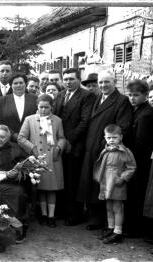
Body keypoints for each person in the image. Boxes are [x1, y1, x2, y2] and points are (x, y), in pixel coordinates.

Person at [78, 70, 132, 231]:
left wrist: (105, 144)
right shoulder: (97, 98)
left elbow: (123, 126)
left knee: (104, 185)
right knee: (92, 182)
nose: (103, 85)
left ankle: (103, 222)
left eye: (106, 82)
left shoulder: (121, 101)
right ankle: (95, 218)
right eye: (100, 82)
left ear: (114, 82)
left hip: (107, 150)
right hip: (91, 147)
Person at [54, 68, 95, 226]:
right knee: (60, 177)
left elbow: (85, 121)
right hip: (59, 145)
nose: (68, 82)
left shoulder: (87, 96)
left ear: (79, 79)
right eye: (65, 79)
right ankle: (61, 211)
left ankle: (74, 215)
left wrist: (68, 140)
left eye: (71, 79)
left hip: (74, 145)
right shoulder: (60, 95)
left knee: (72, 180)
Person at [18, 94, 66, 228]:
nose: (43, 110)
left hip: (53, 158)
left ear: (52, 107)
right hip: (37, 157)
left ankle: (51, 216)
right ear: (37, 107)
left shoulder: (57, 120)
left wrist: (59, 147)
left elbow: (62, 137)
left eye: (46, 107)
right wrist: (32, 147)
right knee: (41, 189)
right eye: (41, 107)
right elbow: (21, 138)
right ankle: (43, 214)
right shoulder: (30, 119)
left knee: (52, 189)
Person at [93, 124, 136, 244]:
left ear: (121, 137)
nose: (111, 140)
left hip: (117, 183)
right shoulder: (106, 150)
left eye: (114, 137)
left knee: (118, 207)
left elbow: (131, 167)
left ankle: (118, 233)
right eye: (109, 138)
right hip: (106, 182)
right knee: (109, 206)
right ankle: (111, 229)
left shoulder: (125, 152)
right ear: (105, 138)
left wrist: (122, 178)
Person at [125, 80, 153, 237]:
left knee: (137, 194)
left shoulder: (146, 114)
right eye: (130, 95)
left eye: (136, 95)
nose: (132, 98)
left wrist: (131, 163)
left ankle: (135, 229)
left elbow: (141, 143)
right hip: (136, 159)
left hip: (140, 161)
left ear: (145, 95)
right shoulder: (137, 110)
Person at [0, 73, 37, 142]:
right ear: (11, 85)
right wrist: (14, 135)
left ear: (25, 84)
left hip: (31, 140)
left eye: (21, 83)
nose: (18, 85)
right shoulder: (1, 101)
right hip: (9, 141)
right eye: (15, 83)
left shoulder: (34, 99)